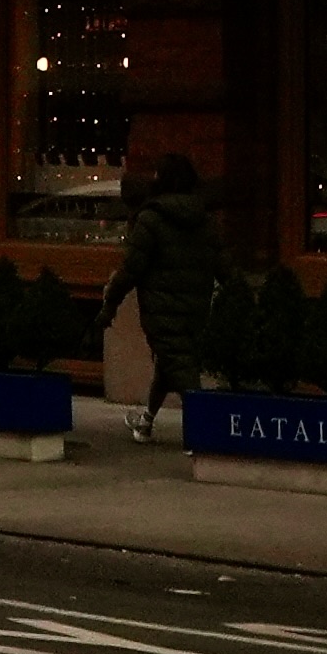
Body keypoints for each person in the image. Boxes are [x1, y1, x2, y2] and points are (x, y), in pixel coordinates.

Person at [105, 152, 233, 440]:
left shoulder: (150, 218)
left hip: (160, 309)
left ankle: (204, 434)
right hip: (197, 309)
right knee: (172, 363)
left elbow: (131, 269)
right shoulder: (205, 219)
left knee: (181, 371)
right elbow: (224, 266)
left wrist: (110, 303)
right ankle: (146, 421)